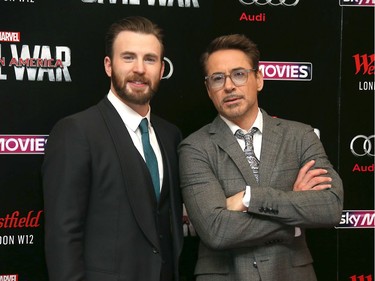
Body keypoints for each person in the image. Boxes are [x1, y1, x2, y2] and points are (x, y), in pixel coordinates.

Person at [178, 34, 343, 281]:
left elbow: (330, 207)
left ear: (258, 79)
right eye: (218, 78)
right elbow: (216, 230)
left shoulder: (300, 135)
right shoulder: (194, 147)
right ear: (208, 90)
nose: (229, 86)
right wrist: (294, 217)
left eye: (239, 74)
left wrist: (249, 198)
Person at [42, 16, 183, 281]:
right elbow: (63, 235)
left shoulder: (170, 135)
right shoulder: (76, 132)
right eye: (128, 57)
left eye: (150, 59)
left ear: (162, 69)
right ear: (109, 65)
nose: (139, 69)